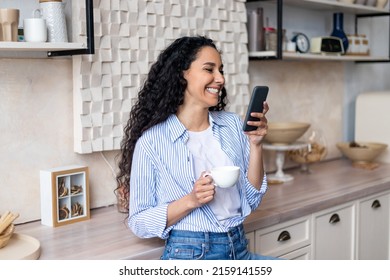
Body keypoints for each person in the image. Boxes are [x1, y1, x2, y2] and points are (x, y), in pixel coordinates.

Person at [116, 35, 276, 260]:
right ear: (182, 73)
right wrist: (191, 200)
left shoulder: (230, 125)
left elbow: (252, 199)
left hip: (239, 249)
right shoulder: (152, 142)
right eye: (209, 69)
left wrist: (256, 145)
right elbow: (139, 221)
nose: (219, 78)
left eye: (221, 70)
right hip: (190, 254)